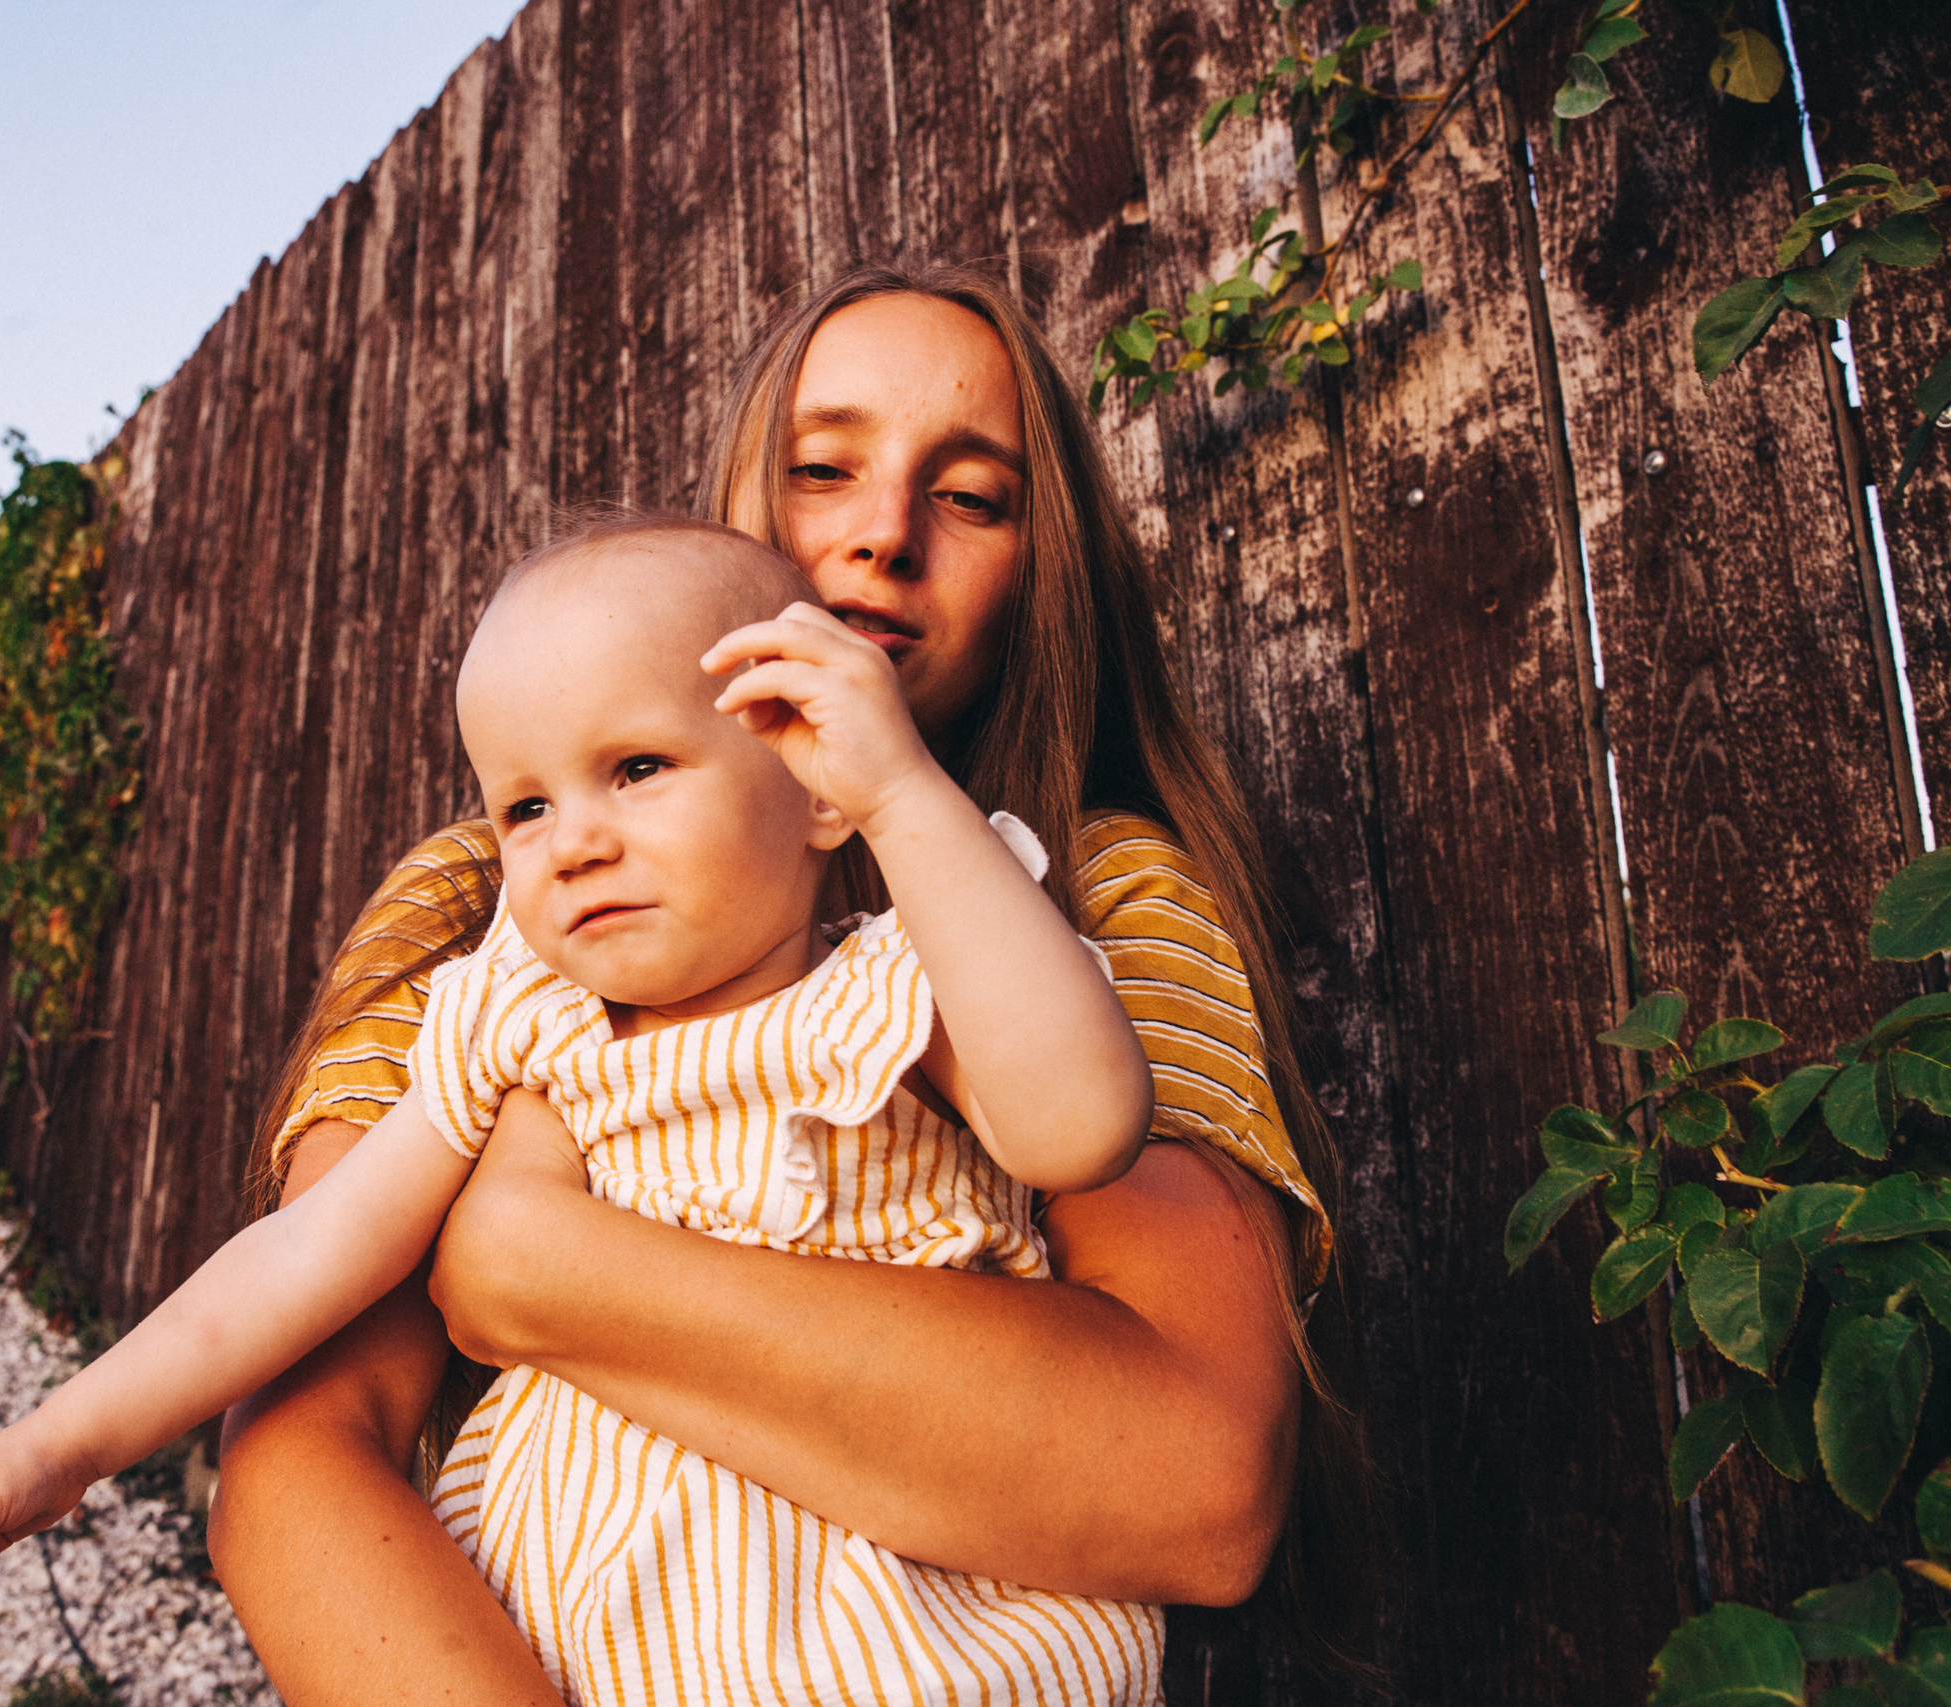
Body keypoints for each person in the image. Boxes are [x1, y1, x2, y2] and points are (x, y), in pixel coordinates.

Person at [209, 262, 1374, 1705]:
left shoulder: (1106, 890)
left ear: (1038, 576)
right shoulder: (490, 901)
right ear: (740, 514)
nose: (882, 536)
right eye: (824, 470)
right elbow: (300, 1458)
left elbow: (1195, 1482)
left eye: (972, 497)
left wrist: (527, 1261)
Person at [0, 517, 1163, 1704]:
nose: (572, 841)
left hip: (897, 1629)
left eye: (637, 768)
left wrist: (907, 798)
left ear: (815, 785)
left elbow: (1077, 1124)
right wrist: (60, 1447)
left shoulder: (898, 990)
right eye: (526, 806)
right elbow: (303, 1256)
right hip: (584, 1634)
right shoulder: (518, 1020)